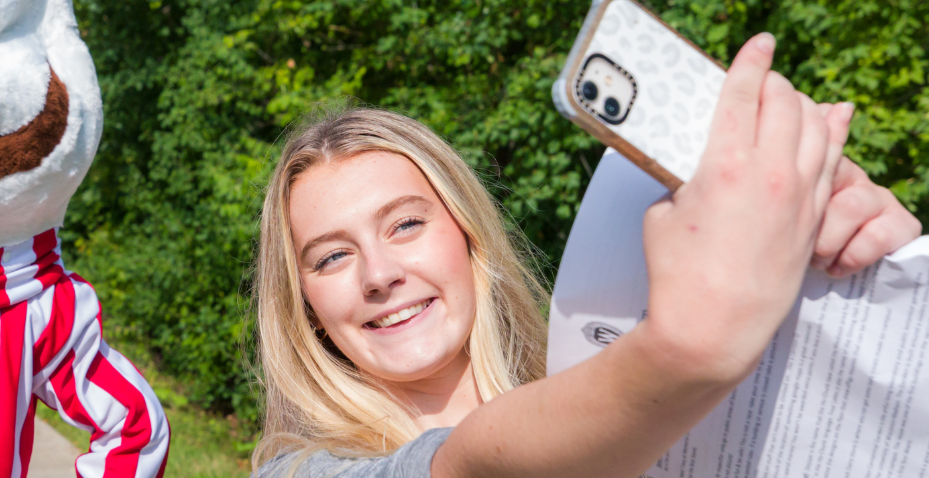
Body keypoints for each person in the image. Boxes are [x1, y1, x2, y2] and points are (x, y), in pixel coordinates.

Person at [251, 33, 922, 477]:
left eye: (404, 225)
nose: (379, 275)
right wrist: (688, 350)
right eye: (331, 258)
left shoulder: (604, 382)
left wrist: (875, 292)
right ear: (305, 305)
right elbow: (469, 463)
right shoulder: (300, 468)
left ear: (468, 237)